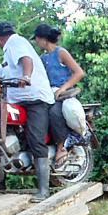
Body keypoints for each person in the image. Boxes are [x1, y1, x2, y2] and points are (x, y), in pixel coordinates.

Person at [0, 21, 55, 202]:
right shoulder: (7, 54)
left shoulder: (16, 43)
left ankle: (43, 190)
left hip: (35, 99)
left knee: (36, 139)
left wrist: (26, 76)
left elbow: (27, 60)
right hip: (17, 100)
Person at [32, 23, 86, 167]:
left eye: (37, 39)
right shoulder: (42, 58)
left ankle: (61, 146)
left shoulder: (60, 53)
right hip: (48, 93)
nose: (36, 42)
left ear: (43, 39)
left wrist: (63, 88)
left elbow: (79, 73)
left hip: (64, 94)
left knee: (55, 112)